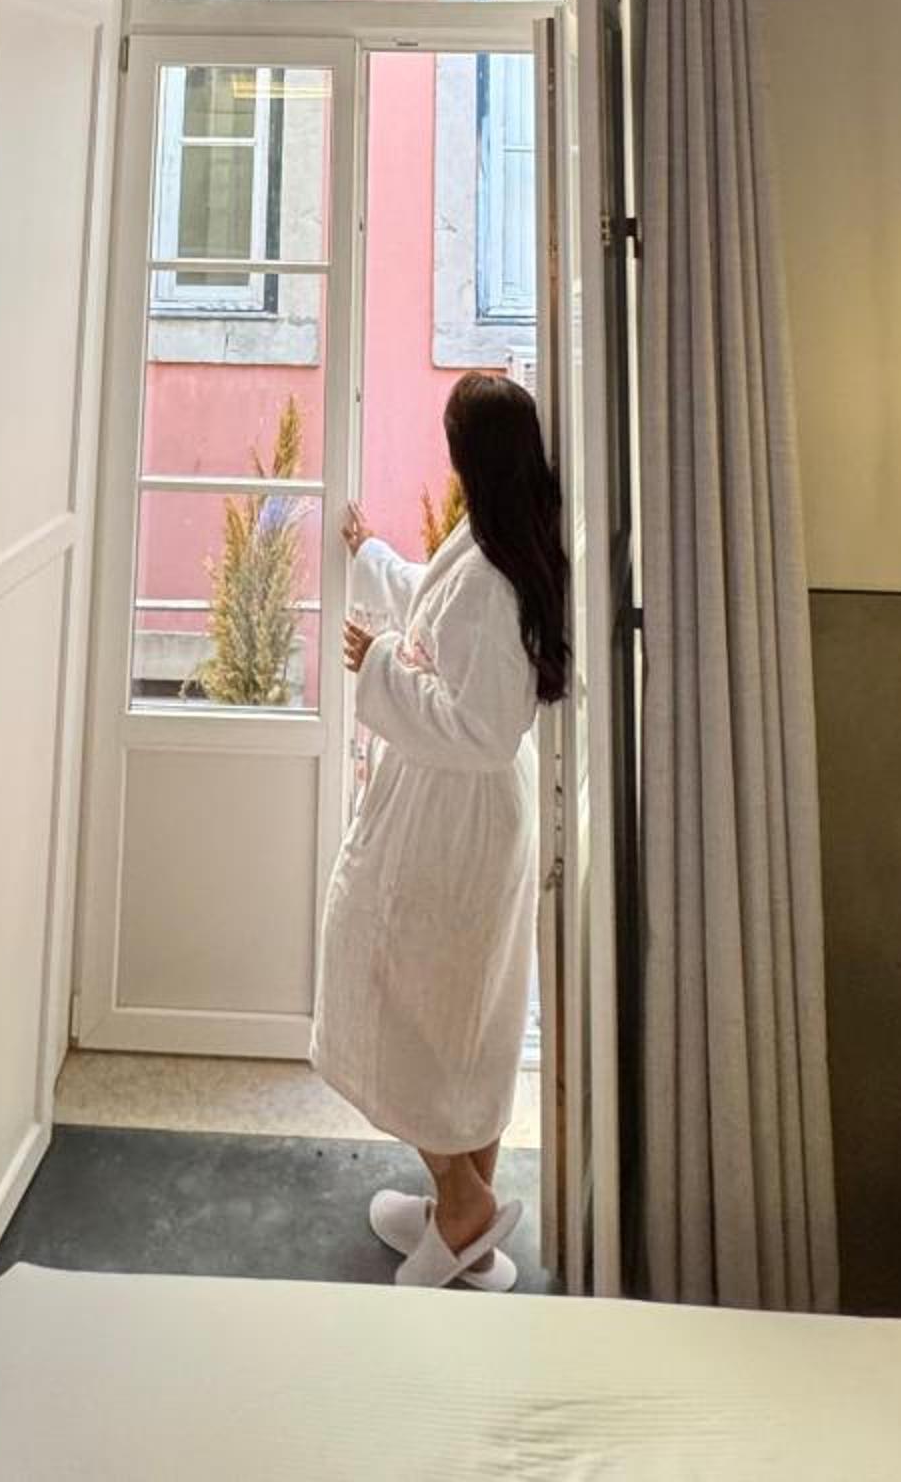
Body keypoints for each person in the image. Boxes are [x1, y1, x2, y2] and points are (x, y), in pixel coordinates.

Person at [310, 369, 568, 1291]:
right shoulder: (495, 540)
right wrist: (374, 554)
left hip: (457, 821)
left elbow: (482, 725)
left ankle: (460, 1199)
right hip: (456, 812)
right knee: (464, 1014)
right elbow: (436, 611)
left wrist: (378, 664)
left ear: (473, 457)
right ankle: (469, 1226)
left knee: (407, 996)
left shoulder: (498, 577)